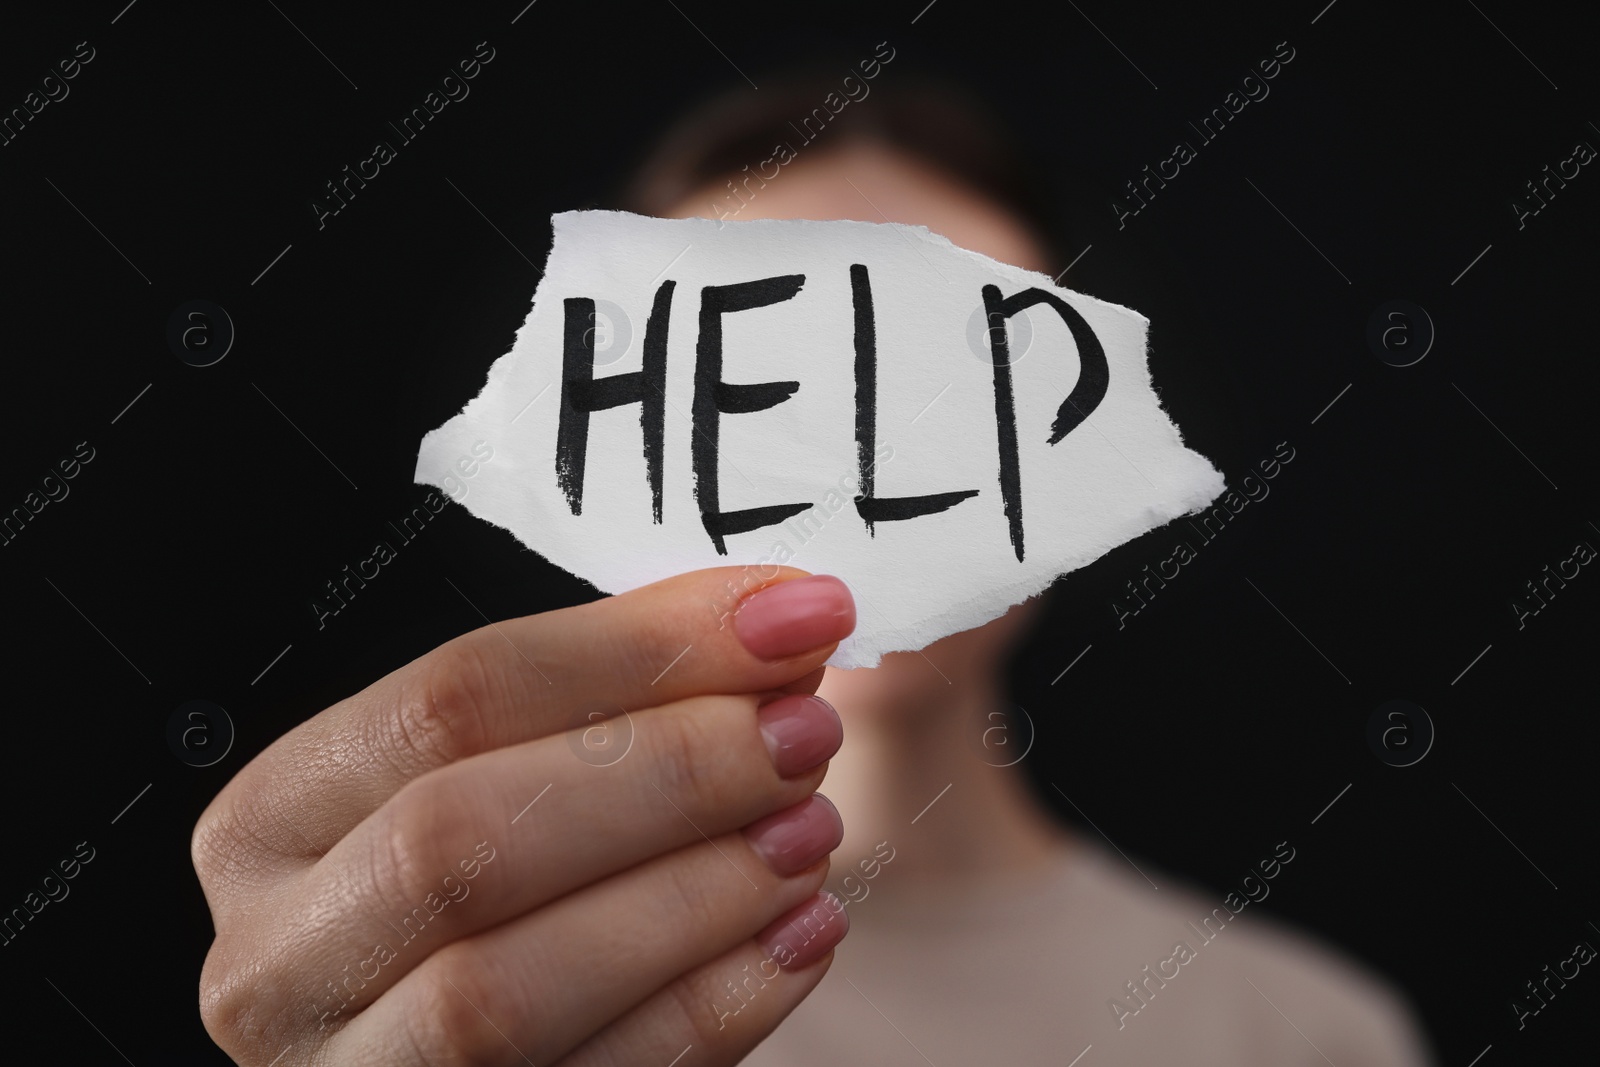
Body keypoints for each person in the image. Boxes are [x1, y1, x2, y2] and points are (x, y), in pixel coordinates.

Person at [191, 75, 1433, 1067]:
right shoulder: (454, 977)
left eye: (949, 372)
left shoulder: (1301, 1034)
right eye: (770, 379)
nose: (858, 469)